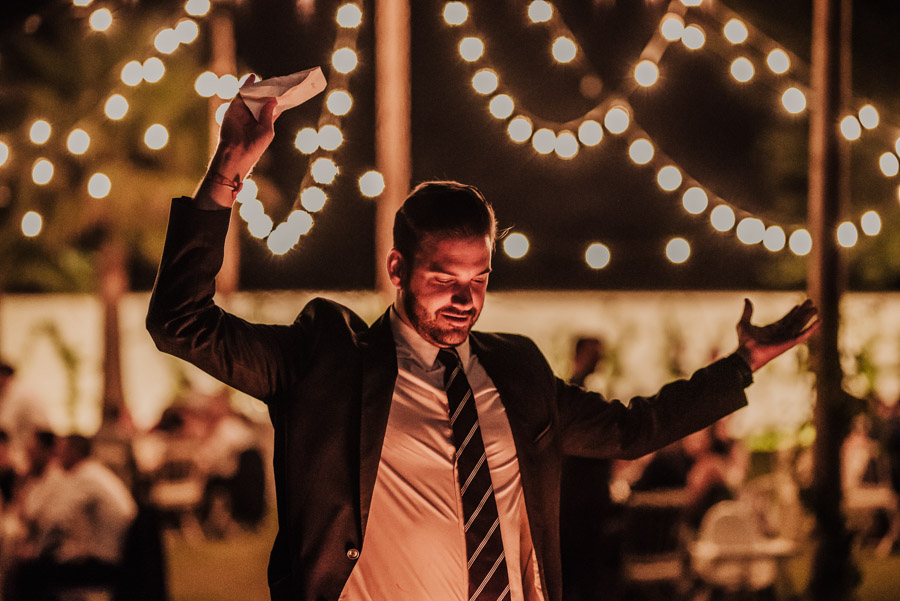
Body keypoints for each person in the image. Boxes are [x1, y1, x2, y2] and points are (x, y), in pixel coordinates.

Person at [145, 77, 820, 601]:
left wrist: (739, 365)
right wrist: (228, 171)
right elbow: (181, 322)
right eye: (443, 276)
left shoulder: (516, 369)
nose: (465, 298)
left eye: (479, 277)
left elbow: (629, 429)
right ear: (397, 270)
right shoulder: (328, 358)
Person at [559, 337, 621, 601]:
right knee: (582, 569)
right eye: (594, 354)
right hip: (579, 498)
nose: (599, 361)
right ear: (579, 355)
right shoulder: (574, 396)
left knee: (582, 570)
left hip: (582, 497)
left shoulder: (577, 395)